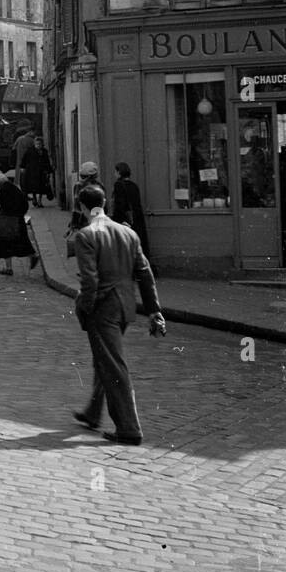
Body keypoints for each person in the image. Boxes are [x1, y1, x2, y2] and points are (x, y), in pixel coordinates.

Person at [70, 184, 166, 445]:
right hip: (125, 306)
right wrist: (154, 310)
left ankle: (128, 427)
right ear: (105, 204)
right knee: (106, 359)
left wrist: (84, 308)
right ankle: (93, 411)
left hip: (103, 308)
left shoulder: (86, 236)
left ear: (82, 208)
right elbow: (145, 274)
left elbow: (90, 281)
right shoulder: (128, 233)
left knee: (113, 365)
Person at [0, 170, 37, 275]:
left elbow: (5, 207)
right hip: (18, 219)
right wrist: (20, 214)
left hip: (9, 221)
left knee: (4, 243)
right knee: (22, 241)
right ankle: (33, 256)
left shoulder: (3, 192)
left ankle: (9, 268)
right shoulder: (15, 189)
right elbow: (24, 203)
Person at [111, 161, 151, 259]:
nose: (114, 174)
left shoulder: (118, 185)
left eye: (115, 172)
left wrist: (115, 220)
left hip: (125, 220)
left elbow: (119, 205)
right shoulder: (134, 185)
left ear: (119, 173)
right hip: (137, 219)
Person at [21, 136, 54, 208]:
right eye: (37, 144)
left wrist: (49, 171)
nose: (38, 145)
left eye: (40, 144)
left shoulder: (44, 151)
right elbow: (24, 159)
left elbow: (47, 161)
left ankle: (39, 200)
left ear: (42, 144)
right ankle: (34, 199)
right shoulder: (30, 151)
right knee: (33, 187)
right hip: (32, 172)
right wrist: (23, 167)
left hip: (42, 172)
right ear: (34, 144)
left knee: (41, 187)